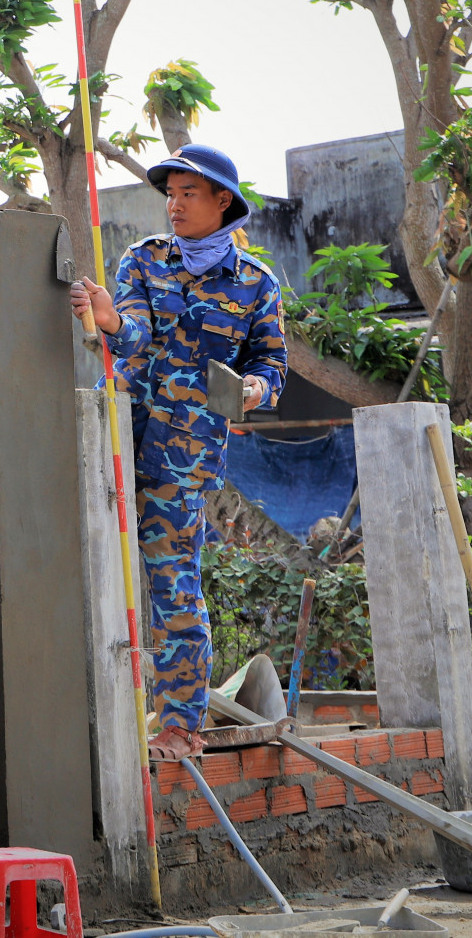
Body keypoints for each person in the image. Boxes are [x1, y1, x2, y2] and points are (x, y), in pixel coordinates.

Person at [69, 143, 286, 761]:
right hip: (113, 444)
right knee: (96, 583)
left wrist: (255, 387)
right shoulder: (143, 261)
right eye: (170, 193)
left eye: (189, 193)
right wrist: (112, 322)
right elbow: (135, 331)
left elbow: (272, 365)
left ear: (224, 202)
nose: (175, 204)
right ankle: (96, 720)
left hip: (182, 462)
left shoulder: (255, 285)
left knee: (173, 589)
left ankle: (179, 727)